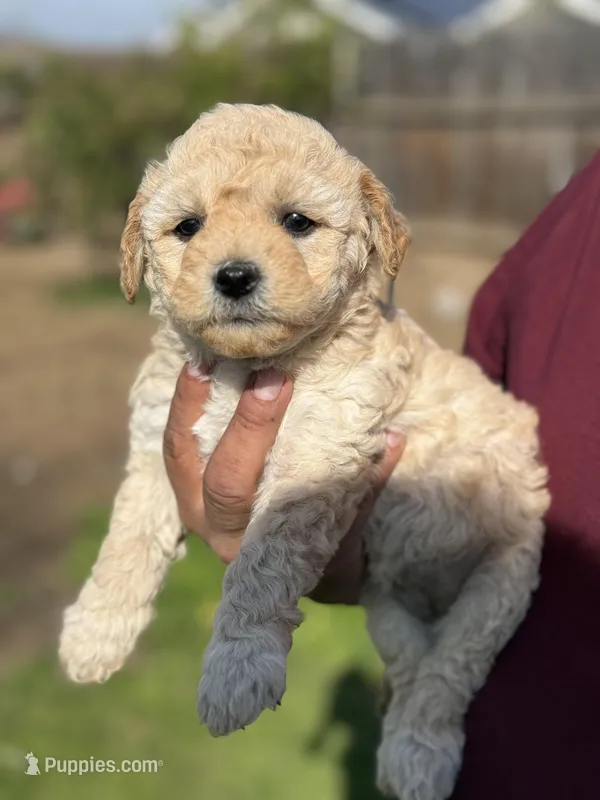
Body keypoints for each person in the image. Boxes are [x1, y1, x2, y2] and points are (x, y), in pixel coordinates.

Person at [164, 152, 600, 798]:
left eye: (295, 219)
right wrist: (338, 554)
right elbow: (426, 463)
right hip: (480, 756)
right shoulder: (566, 225)